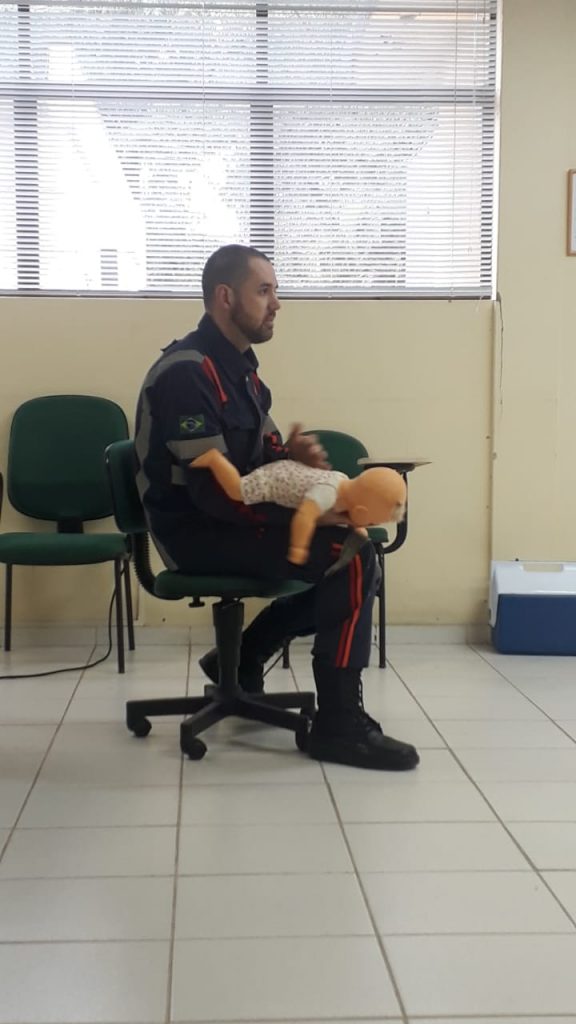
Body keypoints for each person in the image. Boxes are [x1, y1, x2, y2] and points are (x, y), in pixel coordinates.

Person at [134, 244, 419, 771]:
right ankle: (339, 725)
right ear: (225, 297)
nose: (277, 303)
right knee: (352, 555)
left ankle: (242, 659)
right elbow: (215, 491)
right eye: (264, 291)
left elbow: (261, 462)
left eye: (276, 291)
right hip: (195, 531)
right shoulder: (186, 374)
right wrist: (309, 517)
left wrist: (293, 460)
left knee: (351, 550)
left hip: (228, 520)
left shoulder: (242, 373)